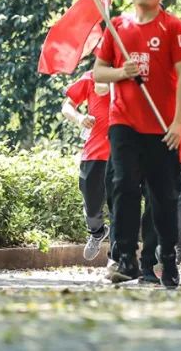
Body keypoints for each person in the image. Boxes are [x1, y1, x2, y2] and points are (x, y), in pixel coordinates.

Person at [93, 0, 181, 288]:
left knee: (163, 198)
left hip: (162, 129)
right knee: (123, 185)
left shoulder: (173, 27)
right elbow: (98, 72)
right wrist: (121, 73)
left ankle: (168, 258)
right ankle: (125, 257)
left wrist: (178, 123)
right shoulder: (117, 27)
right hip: (124, 122)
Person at [62, 70, 111, 262]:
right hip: (95, 151)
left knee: (121, 207)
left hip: (123, 152)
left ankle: (117, 259)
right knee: (91, 202)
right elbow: (67, 106)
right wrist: (80, 118)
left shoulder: (132, 77)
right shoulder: (91, 77)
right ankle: (97, 232)